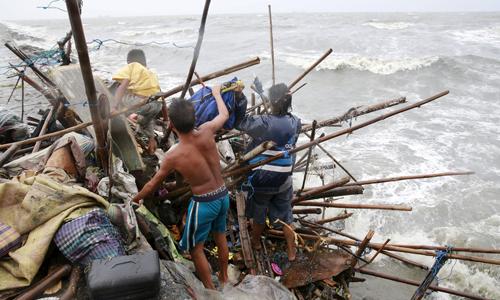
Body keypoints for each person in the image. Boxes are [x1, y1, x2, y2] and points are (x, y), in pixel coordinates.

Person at [132, 85, 230, 289]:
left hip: (204, 203)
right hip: (223, 195)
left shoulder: (173, 155)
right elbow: (224, 113)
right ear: (195, 119)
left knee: (195, 248)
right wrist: (217, 94)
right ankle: (224, 278)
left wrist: (135, 198)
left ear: (172, 125)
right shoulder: (207, 130)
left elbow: (152, 184)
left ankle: (210, 293)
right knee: (220, 236)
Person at [236, 83, 301, 262]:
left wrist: (239, 98)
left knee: (258, 214)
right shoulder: (295, 122)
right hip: (284, 178)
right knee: (286, 216)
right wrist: (262, 93)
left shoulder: (264, 123)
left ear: (272, 102)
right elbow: (278, 122)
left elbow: (241, 122)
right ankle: (292, 252)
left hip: (263, 180)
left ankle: (256, 242)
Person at [112, 49, 162, 154]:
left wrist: (114, 107)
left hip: (141, 103)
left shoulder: (132, 66)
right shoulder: (151, 73)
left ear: (129, 61)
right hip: (156, 105)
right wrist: (166, 120)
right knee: (147, 119)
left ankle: (125, 118)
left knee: (118, 92)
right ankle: (151, 141)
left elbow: (122, 87)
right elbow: (161, 95)